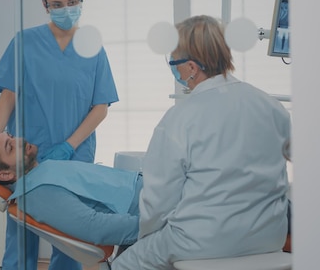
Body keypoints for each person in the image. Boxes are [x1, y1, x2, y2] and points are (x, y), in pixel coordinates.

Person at [112, 15, 291, 270]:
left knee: (123, 264)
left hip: (200, 240)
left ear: (192, 67)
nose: (174, 69)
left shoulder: (180, 118)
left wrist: (145, 237)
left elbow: (158, 200)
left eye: (174, 62)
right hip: (268, 238)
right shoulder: (272, 107)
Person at [0, 0, 119, 270]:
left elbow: (100, 107)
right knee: (22, 228)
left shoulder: (93, 48)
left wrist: (69, 145)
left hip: (74, 153)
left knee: (67, 235)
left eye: (72, 2)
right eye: (57, 5)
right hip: (26, 152)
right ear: (46, 6)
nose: (66, 10)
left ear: (81, 1)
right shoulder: (24, 42)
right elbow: (9, 94)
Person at [0, 132, 141, 246]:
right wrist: (156, 221)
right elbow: (95, 228)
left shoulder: (40, 174)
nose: (19, 140)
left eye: (12, 136)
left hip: (149, 192)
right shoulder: (38, 192)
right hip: (148, 206)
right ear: (6, 174)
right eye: (10, 147)